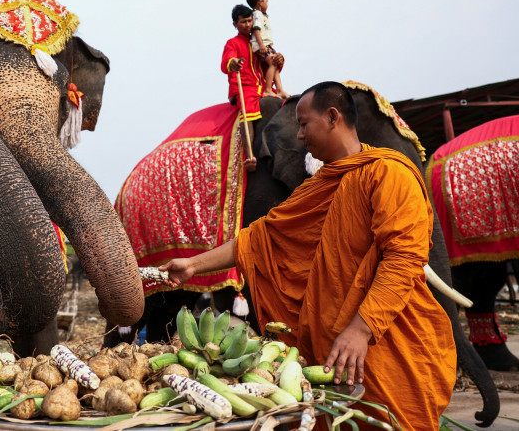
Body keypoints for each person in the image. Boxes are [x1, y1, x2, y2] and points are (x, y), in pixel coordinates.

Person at [161, 82, 457, 431]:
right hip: (328, 355)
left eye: (304, 124)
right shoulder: (315, 188)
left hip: (384, 345)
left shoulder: (388, 173)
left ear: (333, 117)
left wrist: (361, 330)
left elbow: (403, 259)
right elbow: (259, 239)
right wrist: (193, 265)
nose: (299, 135)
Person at [221, 4, 264, 171]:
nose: (247, 25)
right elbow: (227, 62)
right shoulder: (233, 43)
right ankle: (250, 155)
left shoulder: (257, 40)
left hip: (262, 86)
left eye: (249, 21)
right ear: (235, 24)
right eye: (243, 22)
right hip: (244, 86)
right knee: (248, 114)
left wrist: (277, 59)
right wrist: (234, 63)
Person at [247, 0, 288, 98]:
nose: (267, 3)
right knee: (273, 62)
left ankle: (280, 89)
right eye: (266, 1)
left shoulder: (262, 15)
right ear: (260, 3)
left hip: (267, 45)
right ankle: (268, 89)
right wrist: (261, 45)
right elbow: (256, 29)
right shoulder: (257, 14)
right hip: (263, 45)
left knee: (276, 64)